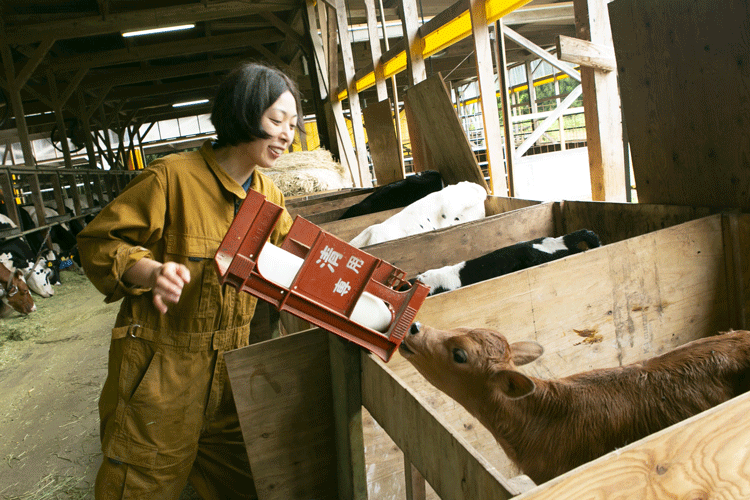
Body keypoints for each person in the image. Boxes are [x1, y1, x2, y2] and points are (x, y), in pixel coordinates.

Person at [77, 61, 304, 499]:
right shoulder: (171, 178)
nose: (286, 134)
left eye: (293, 124)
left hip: (232, 375)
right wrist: (152, 271)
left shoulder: (269, 198)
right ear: (243, 112)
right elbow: (98, 243)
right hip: (161, 375)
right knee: (140, 484)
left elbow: (292, 261)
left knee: (244, 485)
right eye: (276, 119)